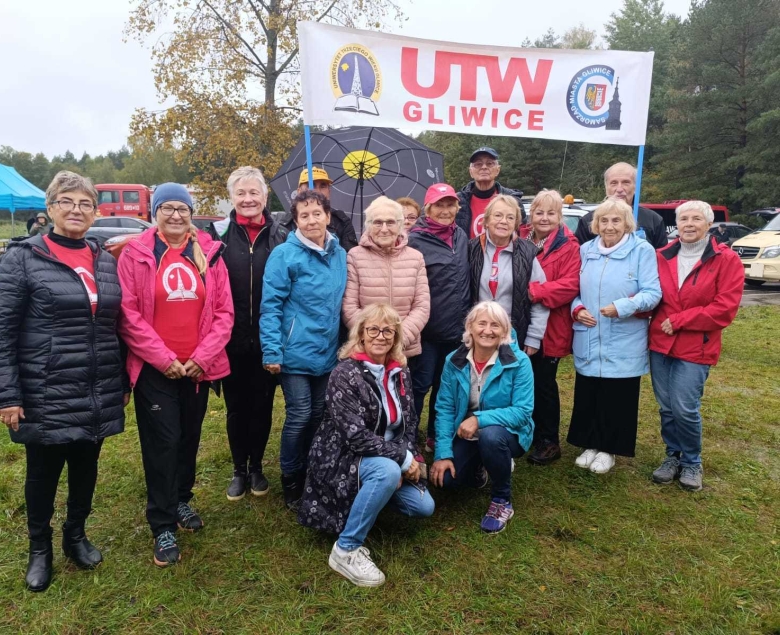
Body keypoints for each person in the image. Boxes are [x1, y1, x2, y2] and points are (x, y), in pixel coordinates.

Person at [0, 171, 128, 592]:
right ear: (51, 207)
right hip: (45, 388)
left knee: (86, 466)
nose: (76, 210)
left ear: (95, 211)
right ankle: (40, 549)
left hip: (96, 385)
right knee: (42, 472)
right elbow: (3, 330)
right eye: (67, 201)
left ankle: (75, 534)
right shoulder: (23, 258)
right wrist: (8, 394)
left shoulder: (104, 259)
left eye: (85, 203)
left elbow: (115, 324)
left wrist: (120, 380)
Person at [118, 183, 234, 567]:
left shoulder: (210, 253)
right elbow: (129, 314)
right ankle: (162, 521)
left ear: (190, 213)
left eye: (181, 208)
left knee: (189, 438)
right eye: (166, 208)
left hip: (198, 369)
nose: (175, 215)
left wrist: (202, 358)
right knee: (162, 443)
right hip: (156, 369)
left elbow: (223, 314)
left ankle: (182, 499)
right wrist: (162, 358)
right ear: (155, 213)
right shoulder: (136, 255)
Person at [298, 303, 434, 587]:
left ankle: (370, 498)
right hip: (342, 457)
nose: (380, 336)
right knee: (386, 472)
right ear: (360, 334)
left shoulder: (401, 373)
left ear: (396, 337)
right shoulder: (344, 374)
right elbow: (356, 436)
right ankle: (346, 549)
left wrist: (412, 457)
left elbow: (409, 424)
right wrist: (401, 461)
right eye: (373, 329)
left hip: (386, 458)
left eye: (388, 331)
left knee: (424, 506)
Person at [260, 189, 347, 510]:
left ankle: (314, 469)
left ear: (327, 216)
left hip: (327, 352)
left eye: (317, 213)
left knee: (320, 414)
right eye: (304, 215)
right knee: (299, 415)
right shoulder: (285, 255)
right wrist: (271, 351)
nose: (311, 220)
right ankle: (291, 480)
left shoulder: (339, 254)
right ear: (296, 221)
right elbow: (270, 306)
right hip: (293, 352)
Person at [649, 201, 744, 491]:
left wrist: (680, 320)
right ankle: (672, 456)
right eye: (683, 219)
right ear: (676, 224)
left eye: (696, 219)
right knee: (667, 407)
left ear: (708, 224)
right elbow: (650, 293)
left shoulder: (725, 260)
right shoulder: (661, 256)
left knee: (685, 407)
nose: (689, 224)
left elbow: (724, 308)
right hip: (660, 344)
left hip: (696, 345)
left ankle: (692, 461)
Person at [208, 167, 288, 501]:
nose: (248, 199)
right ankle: (239, 470)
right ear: (231, 198)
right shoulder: (217, 235)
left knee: (263, 405)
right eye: (241, 193)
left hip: (269, 337)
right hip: (230, 338)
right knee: (236, 408)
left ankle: (257, 467)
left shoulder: (281, 233)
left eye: (254, 192)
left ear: (265, 196)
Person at [568, 199, 661, 474]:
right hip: (589, 332)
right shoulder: (585, 250)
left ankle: (609, 448)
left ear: (627, 224)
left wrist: (623, 307)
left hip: (623, 334)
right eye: (604, 221)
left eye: (616, 221)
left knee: (616, 395)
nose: (610, 226)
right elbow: (573, 290)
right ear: (596, 224)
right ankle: (590, 443)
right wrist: (577, 309)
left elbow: (653, 293)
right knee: (589, 392)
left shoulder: (642, 251)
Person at [430, 301, 534, 534]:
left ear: (504, 331)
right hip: (465, 433)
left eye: (495, 325)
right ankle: (481, 466)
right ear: (470, 327)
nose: (487, 331)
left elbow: (523, 412)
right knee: (446, 482)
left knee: (490, 436)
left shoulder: (520, 362)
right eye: (482, 324)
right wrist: (443, 453)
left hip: (507, 433)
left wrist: (478, 419)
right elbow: (445, 408)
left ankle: (501, 500)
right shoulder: (453, 361)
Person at [519, 190, 581, 466]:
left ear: (560, 216)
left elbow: (571, 285)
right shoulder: (522, 238)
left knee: (544, 383)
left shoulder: (568, 246)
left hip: (551, 327)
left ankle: (549, 440)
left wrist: (533, 290)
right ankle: (528, 431)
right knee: (522, 380)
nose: (544, 218)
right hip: (522, 323)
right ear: (531, 215)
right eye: (539, 212)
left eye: (551, 213)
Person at [407, 183, 471, 453]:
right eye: (439, 205)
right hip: (428, 332)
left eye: (450, 205)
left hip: (457, 331)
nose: (445, 211)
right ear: (428, 208)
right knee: (419, 387)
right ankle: (409, 436)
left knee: (446, 388)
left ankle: (436, 433)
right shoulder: (414, 240)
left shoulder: (461, 235)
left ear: (457, 207)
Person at [342, 196, 430, 361]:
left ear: (400, 225)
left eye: (390, 222)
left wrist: (397, 339)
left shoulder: (416, 258)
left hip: (405, 349)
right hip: (366, 349)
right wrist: (372, 339)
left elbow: (422, 307)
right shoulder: (354, 256)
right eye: (377, 222)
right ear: (368, 226)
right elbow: (349, 307)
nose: (384, 229)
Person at [468, 194, 549, 355]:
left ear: (516, 224)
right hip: (478, 335)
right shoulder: (471, 249)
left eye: (510, 217)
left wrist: (534, 336)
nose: (503, 221)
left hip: (513, 335)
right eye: (498, 215)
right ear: (487, 220)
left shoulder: (527, 253)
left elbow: (540, 298)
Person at [574, 162, 667, 249]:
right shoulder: (588, 221)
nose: (619, 189)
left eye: (625, 182)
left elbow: (662, 260)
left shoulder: (653, 220)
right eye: (614, 183)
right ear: (606, 187)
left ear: (635, 187)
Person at [277, 167, 358, 251]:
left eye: (323, 186)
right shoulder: (284, 226)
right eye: (311, 185)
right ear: (299, 191)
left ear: (329, 191)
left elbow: (350, 257)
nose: (317, 191)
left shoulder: (341, 222)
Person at [456, 147, 525, 238]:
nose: (484, 167)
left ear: (498, 170)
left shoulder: (513, 200)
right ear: (470, 172)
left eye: (489, 163)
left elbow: (523, 234)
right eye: (478, 164)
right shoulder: (457, 201)